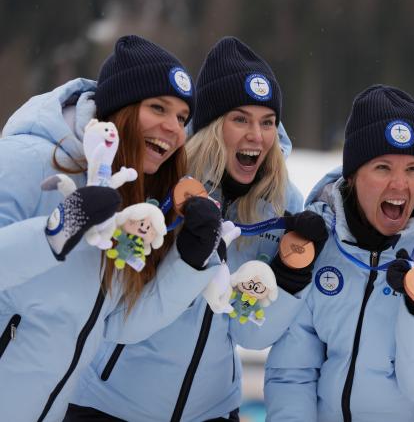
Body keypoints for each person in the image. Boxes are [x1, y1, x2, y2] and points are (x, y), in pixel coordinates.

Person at [66, 37, 325, 422]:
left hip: (213, 410)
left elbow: (249, 334)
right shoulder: (164, 179)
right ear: (212, 125)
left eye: (268, 121)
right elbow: (114, 312)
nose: (257, 135)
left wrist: (290, 277)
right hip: (108, 404)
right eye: (240, 118)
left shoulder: (281, 201)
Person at [0, 35, 226, 422]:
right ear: (121, 107)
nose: (173, 128)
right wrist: (56, 231)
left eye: (182, 118)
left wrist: (189, 261)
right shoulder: (27, 159)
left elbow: (118, 323)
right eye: (159, 108)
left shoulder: (133, 199)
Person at [264, 85, 414, 421]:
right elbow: (294, 372)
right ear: (352, 175)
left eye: (412, 169)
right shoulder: (321, 245)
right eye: (382, 167)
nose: (399, 184)